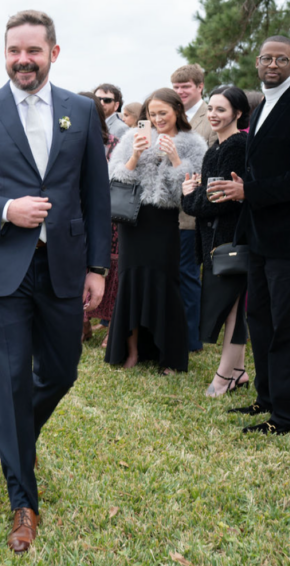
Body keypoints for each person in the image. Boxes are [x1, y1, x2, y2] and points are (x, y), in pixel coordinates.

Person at [0, 10, 111, 553]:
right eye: (14, 51)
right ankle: (23, 501)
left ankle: (16, 437)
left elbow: (95, 195)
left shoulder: (82, 111)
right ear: (5, 52)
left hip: (63, 264)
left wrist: (98, 267)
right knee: (11, 379)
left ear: (53, 53)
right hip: (2, 267)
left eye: (33, 51)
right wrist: (5, 209)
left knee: (61, 371)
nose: (23, 60)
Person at [209, 36, 290, 435]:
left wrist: (250, 191)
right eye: (266, 58)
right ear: (256, 63)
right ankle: (267, 396)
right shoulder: (260, 107)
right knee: (259, 319)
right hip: (259, 235)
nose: (272, 64)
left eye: (281, 58)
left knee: (288, 326)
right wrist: (247, 183)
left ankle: (287, 416)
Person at [107, 88, 207, 373]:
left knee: (165, 285)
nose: (158, 118)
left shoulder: (193, 143)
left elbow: (188, 195)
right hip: (134, 221)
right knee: (131, 283)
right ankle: (133, 352)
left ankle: (169, 355)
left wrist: (176, 159)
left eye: (164, 112)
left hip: (165, 221)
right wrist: (136, 154)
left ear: (177, 111)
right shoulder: (132, 138)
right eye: (153, 114)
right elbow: (116, 177)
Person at [181, 86, 251, 395]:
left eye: (221, 110)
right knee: (230, 307)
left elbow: (217, 199)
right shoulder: (215, 148)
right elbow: (207, 196)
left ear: (237, 113)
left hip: (231, 241)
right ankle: (239, 371)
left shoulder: (238, 145)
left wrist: (189, 199)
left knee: (233, 309)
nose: (213, 114)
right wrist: (194, 196)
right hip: (214, 240)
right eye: (211, 108)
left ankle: (223, 378)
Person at [170, 65, 216, 354]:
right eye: (176, 86)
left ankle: (191, 339)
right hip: (164, 212)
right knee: (172, 274)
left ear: (200, 86)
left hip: (191, 212)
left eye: (185, 86)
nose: (180, 91)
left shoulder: (210, 118)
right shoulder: (171, 116)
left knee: (187, 274)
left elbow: (209, 166)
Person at [77, 91, 119, 342]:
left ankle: (113, 326)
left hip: (108, 214)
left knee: (110, 268)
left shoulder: (114, 143)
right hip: (75, 213)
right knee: (77, 266)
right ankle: (81, 323)